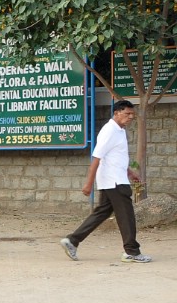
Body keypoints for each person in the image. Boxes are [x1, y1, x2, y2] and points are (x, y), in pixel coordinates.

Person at [61, 99, 151, 263]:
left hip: (115, 178)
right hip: (115, 181)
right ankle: (132, 251)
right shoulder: (110, 131)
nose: (131, 117)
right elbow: (97, 157)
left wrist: (130, 173)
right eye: (127, 113)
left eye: (132, 114)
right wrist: (88, 183)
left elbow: (115, 157)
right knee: (127, 216)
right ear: (117, 113)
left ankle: (72, 241)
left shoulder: (119, 130)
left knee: (102, 212)